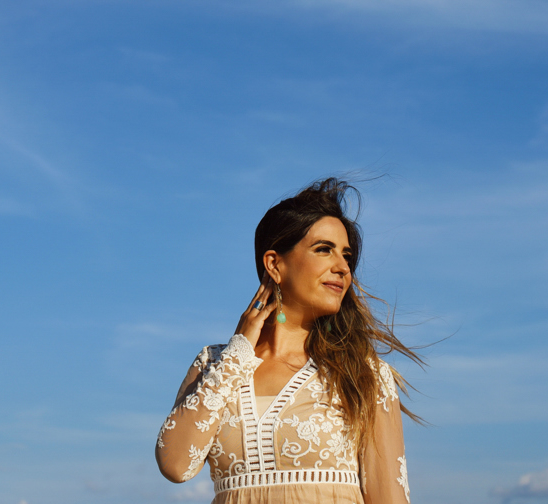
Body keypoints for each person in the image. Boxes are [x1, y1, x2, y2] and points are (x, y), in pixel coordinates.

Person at [155, 178, 424, 503]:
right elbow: (176, 465)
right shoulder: (213, 363)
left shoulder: (363, 373)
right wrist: (238, 351)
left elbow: (388, 498)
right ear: (274, 263)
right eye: (324, 249)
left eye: (346, 255)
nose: (342, 267)